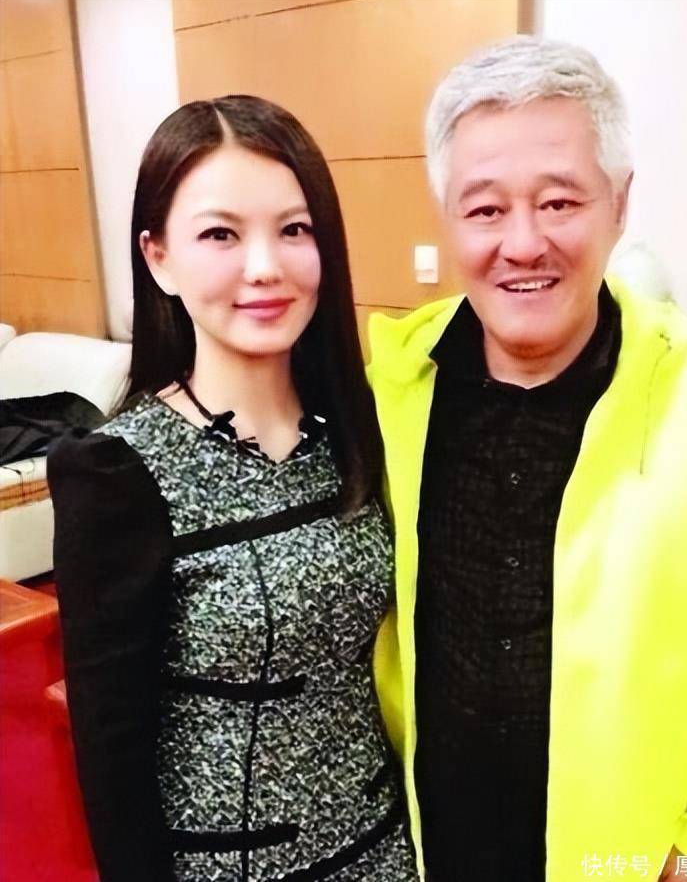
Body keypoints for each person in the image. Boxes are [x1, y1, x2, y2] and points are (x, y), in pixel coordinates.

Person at [369, 36, 687, 882]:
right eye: (485, 210)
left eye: (559, 201)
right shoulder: (391, 391)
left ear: (619, 202)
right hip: (429, 849)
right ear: (448, 216)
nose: (523, 243)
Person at [48, 95, 417, 882]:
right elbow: (111, 754)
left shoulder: (362, 428)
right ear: (158, 257)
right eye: (220, 233)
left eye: (294, 229)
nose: (265, 266)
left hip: (384, 849)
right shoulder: (118, 472)